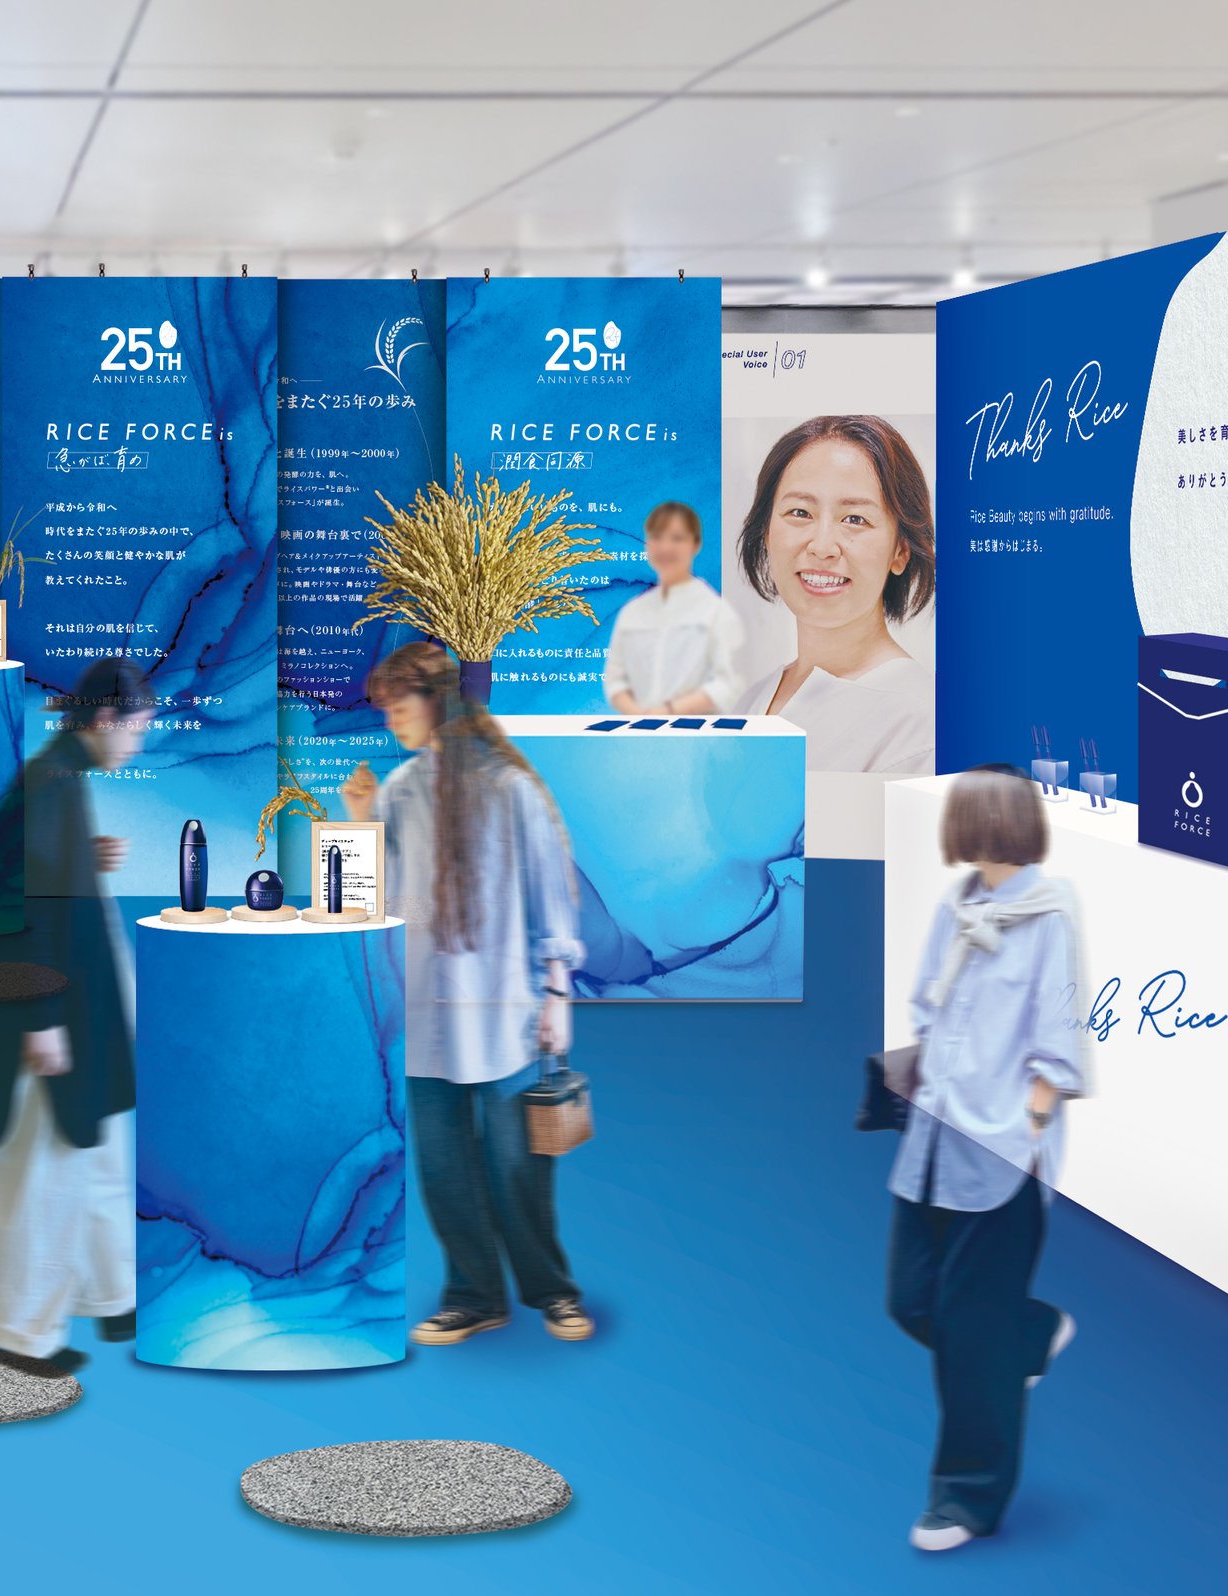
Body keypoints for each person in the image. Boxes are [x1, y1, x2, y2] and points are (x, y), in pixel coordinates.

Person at [340, 641, 591, 1346]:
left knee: (518, 1163)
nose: (390, 719)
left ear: (439, 701)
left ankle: (552, 1291)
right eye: (385, 708)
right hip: (423, 1007)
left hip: (504, 1005)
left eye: (400, 704)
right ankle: (473, 1296)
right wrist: (360, 819)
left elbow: (550, 894)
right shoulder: (399, 789)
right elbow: (378, 901)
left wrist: (557, 993)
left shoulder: (508, 787)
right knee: (445, 1167)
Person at [890, 765, 1090, 1552]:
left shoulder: (1050, 916)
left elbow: (1059, 1041)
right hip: (933, 1138)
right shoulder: (958, 904)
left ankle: (966, 1499)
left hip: (1001, 1152)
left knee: (971, 1334)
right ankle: (1030, 1330)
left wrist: (1026, 1127)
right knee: (911, 1300)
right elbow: (924, 1004)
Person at [0, 657, 153, 1375]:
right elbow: (12, 907)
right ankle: (14, 1333)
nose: (137, 744)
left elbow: (38, 874)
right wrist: (39, 1019)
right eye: (136, 728)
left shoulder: (62, 779)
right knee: (38, 1171)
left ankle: (110, 1293)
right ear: (105, 718)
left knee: (94, 1151)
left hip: (78, 1002)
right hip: (44, 1011)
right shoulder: (47, 786)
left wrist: (84, 859)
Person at [731, 415, 936, 772]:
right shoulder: (750, 703)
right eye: (799, 512)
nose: (822, 546)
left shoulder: (921, 723)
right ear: (766, 534)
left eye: (855, 519)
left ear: (900, 551)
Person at [602, 501, 737, 716]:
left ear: (695, 544)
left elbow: (726, 684)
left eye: (677, 538)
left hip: (695, 730)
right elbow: (615, 680)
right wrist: (639, 715)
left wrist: (668, 712)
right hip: (640, 728)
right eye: (657, 538)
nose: (666, 548)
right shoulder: (632, 612)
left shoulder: (716, 611)